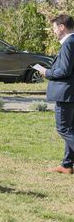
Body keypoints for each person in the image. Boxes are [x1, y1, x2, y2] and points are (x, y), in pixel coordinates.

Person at [36, 14, 74, 174]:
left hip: (66, 93)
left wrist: (47, 72)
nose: (53, 32)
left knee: (63, 128)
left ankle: (67, 164)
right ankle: (66, 165)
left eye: (54, 28)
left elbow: (64, 70)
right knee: (70, 128)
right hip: (70, 92)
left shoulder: (68, 43)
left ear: (62, 27)